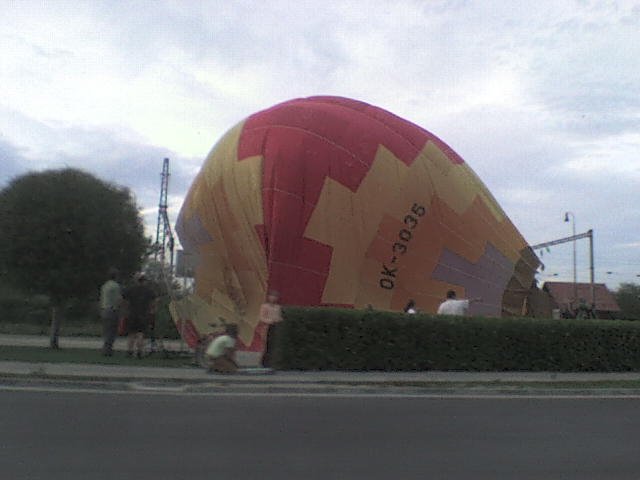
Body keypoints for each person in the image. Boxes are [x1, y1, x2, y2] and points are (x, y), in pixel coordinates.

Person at [122, 273, 156, 358]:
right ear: (144, 281)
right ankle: (139, 352)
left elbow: (124, 300)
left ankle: (129, 351)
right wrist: (152, 310)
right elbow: (154, 301)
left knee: (131, 334)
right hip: (143, 314)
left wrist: (126, 310)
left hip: (132, 314)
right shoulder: (148, 291)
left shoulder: (131, 289)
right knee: (140, 334)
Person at [100, 268, 122, 356]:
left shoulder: (105, 285)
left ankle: (106, 348)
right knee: (112, 331)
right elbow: (118, 299)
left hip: (104, 309)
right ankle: (108, 350)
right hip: (112, 310)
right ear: (116, 276)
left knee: (106, 331)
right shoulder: (116, 286)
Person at [259, 291, 282, 368]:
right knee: (266, 346)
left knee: (274, 345)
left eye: (275, 296)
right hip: (267, 328)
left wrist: (278, 320)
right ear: (268, 297)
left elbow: (279, 317)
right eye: (271, 296)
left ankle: (273, 362)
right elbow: (261, 318)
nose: (273, 298)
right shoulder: (264, 306)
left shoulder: (278, 307)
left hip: (275, 328)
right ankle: (264, 362)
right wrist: (270, 321)